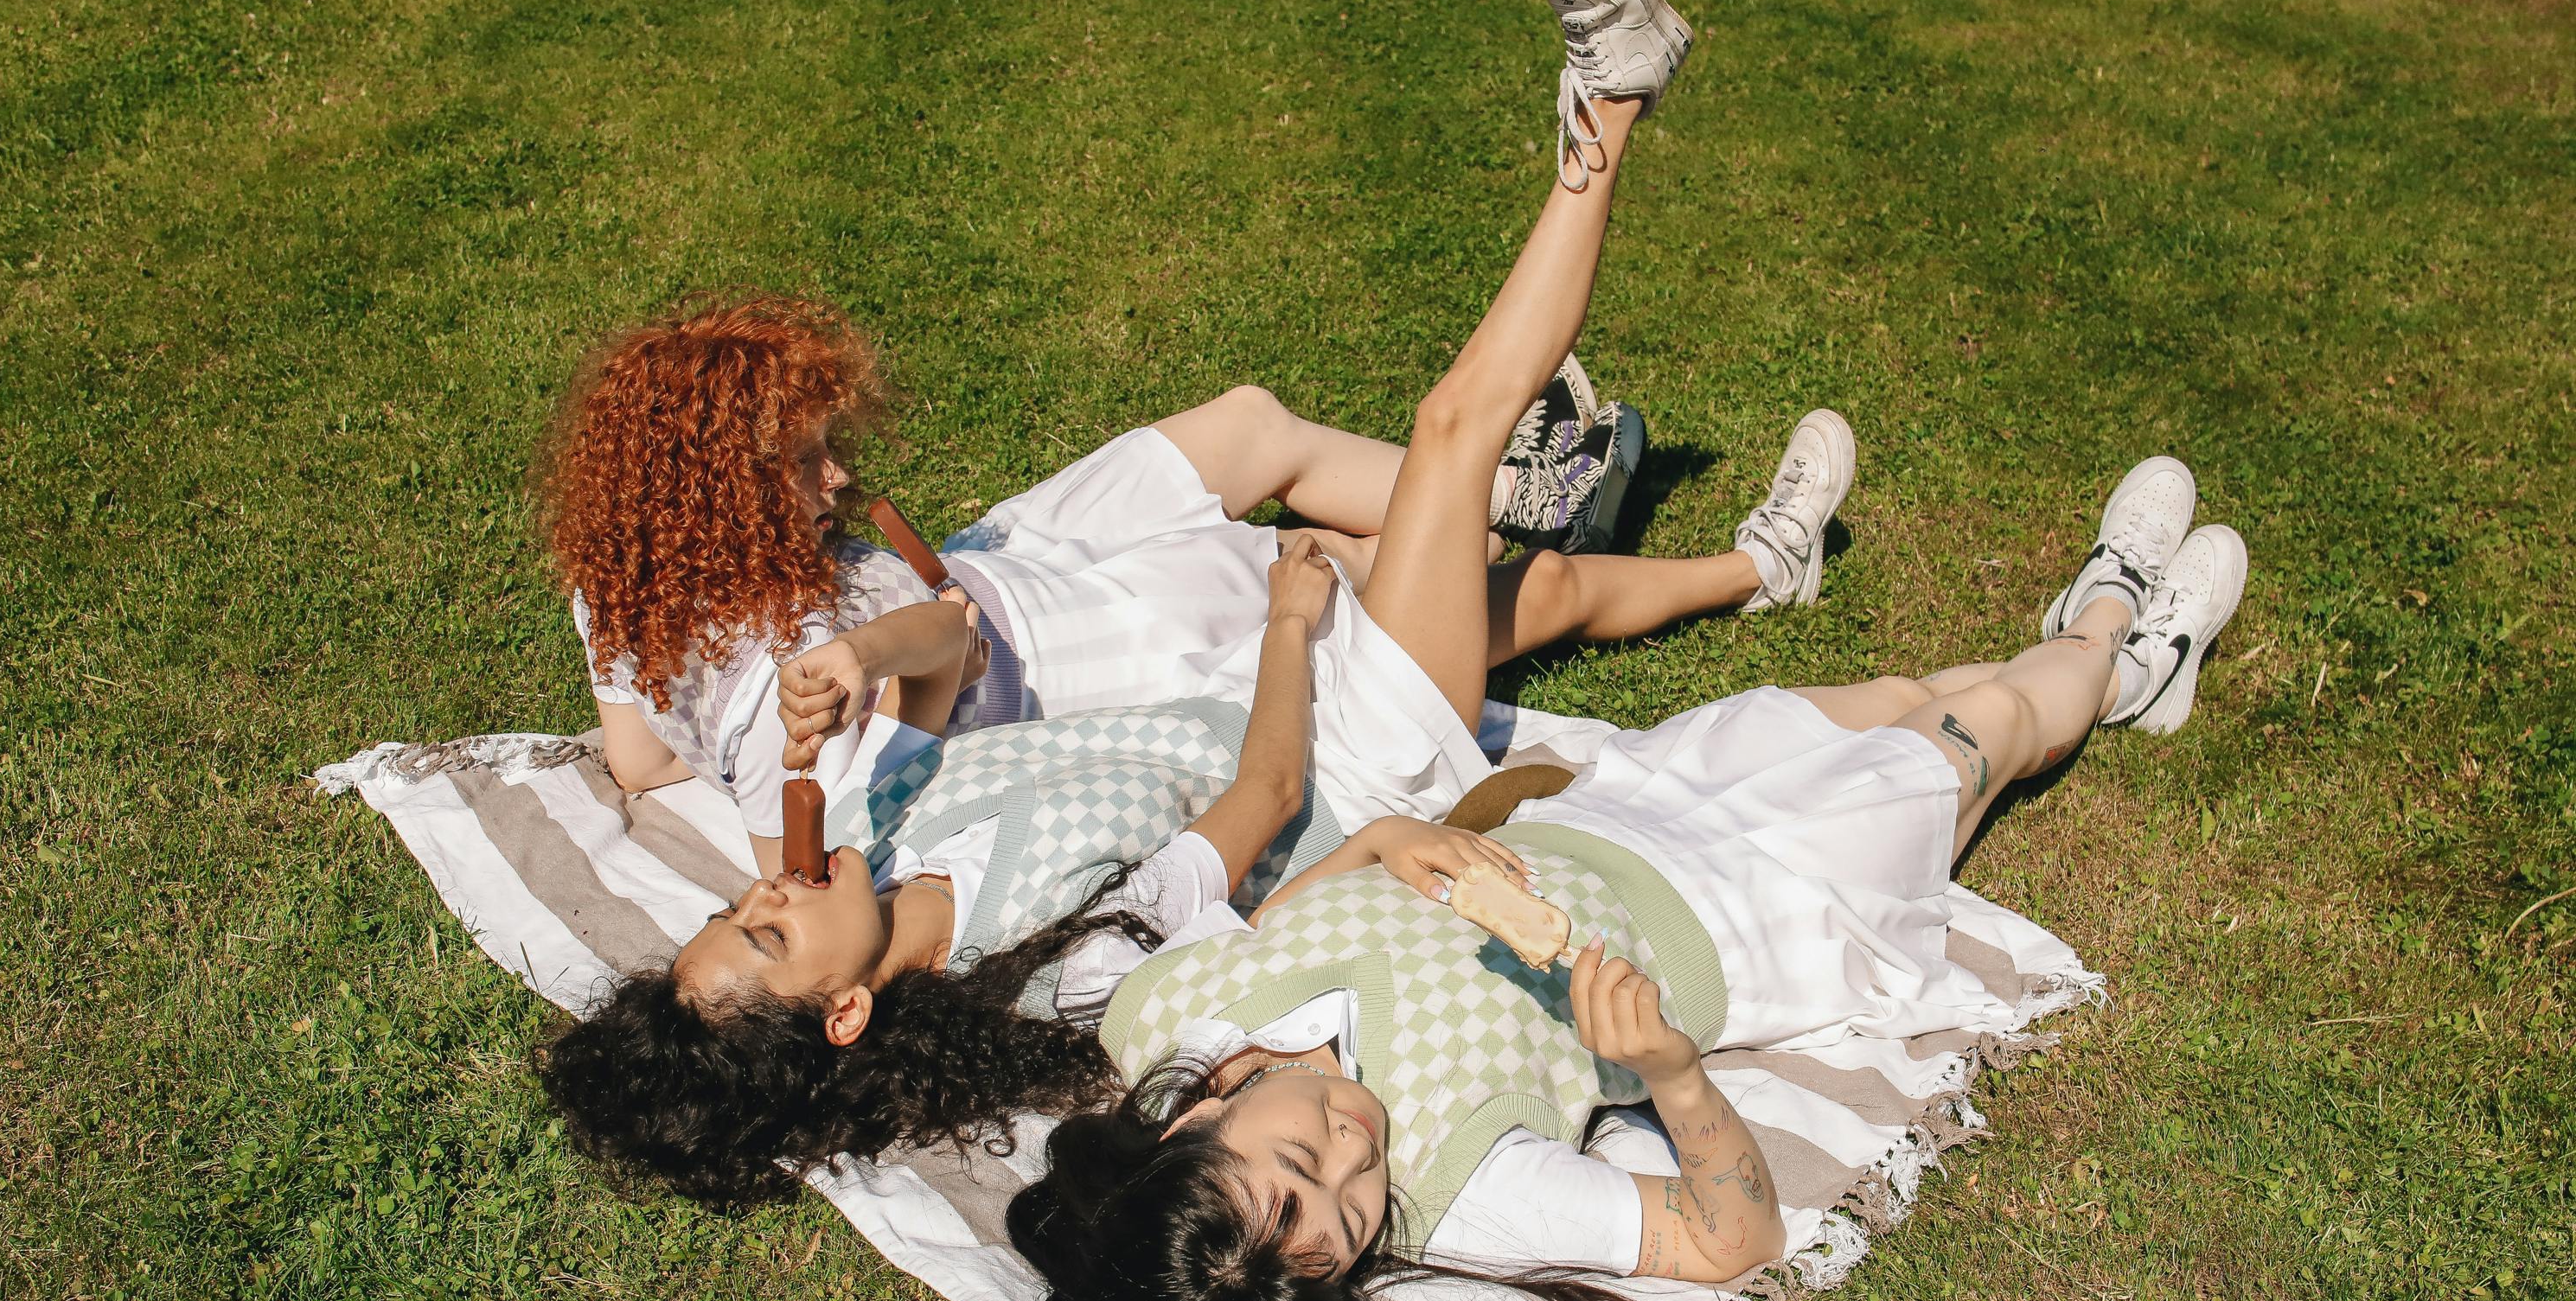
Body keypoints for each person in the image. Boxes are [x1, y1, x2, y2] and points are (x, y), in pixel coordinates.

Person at [999, 0, 2250, 1301]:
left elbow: (1307, 878)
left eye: (1292, 1162)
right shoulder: (1466, 1190)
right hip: (1760, 908)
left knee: (1916, 687)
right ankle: (2118, 624)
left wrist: (1394, 846)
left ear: (1191, 1122)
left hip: (1632, 804)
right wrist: (1663, 1068)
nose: (1352, 1149)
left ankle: (2106, 669)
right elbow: (1730, 1240)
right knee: (1984, 732)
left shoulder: (1162, 1013)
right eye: (1343, 1208)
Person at [534, 0, 1867, 1210]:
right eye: (765, 931)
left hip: (1277, 685)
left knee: (1537, 588)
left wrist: (864, 659)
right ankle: (1611, 105)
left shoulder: (878, 831)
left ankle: (1760, 566)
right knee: (1459, 423)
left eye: (734, 902)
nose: (764, 886)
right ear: (843, 1013)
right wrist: (1293, 622)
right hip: (1352, 754)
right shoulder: (1057, 961)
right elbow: (1273, 794)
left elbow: (943, 653)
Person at [539, 297, 1846, 883]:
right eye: (804, 463)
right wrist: (867, 672)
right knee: (1500, 594)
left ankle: (1521, 492)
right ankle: (1752, 569)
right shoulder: (798, 712)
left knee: (1246, 428)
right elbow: (859, 779)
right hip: (1090, 658)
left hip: (1015, 563)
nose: (838, 480)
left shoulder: (624, 581)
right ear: (711, 494)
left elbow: (640, 762)